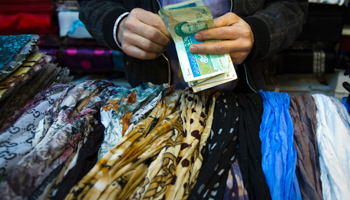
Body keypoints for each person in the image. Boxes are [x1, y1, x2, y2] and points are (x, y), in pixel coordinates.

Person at [77, 0, 308, 92]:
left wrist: (259, 32)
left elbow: (292, 5)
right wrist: (116, 24)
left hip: (247, 91)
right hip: (153, 94)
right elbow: (91, 3)